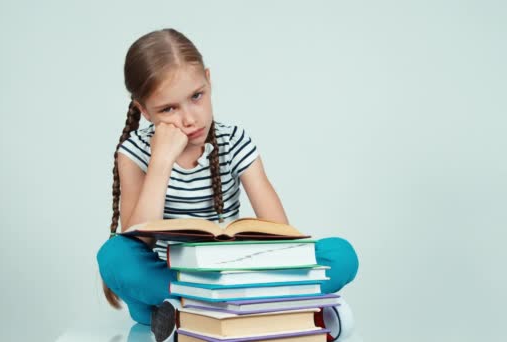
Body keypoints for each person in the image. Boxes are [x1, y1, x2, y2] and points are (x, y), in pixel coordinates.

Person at [96, 28, 359, 342]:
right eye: (169, 109)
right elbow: (139, 238)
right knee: (114, 256)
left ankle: (191, 311)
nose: (190, 118)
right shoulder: (134, 153)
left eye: (197, 96)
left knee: (341, 254)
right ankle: (243, 309)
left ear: (208, 81)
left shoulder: (234, 141)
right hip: (169, 279)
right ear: (143, 110)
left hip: (233, 275)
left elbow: (280, 229)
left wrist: (247, 262)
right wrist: (161, 162)